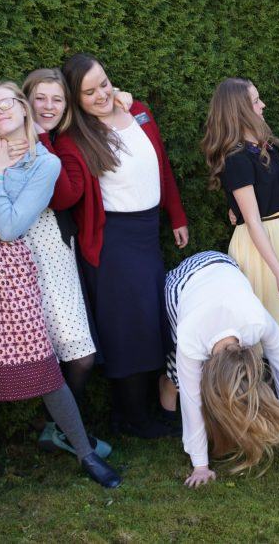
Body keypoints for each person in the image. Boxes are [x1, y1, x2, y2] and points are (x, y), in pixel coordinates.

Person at [0, 80, 121, 489]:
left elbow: (11, 227)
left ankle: (84, 453)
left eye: (3, 104)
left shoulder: (44, 163)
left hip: (6, 265)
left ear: (21, 104)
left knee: (42, 362)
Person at [53, 53, 188, 439]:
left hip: (147, 234)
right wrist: (44, 141)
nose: (101, 95)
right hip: (113, 242)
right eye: (89, 92)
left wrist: (176, 214)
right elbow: (64, 197)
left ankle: (132, 412)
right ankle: (132, 418)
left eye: (104, 84)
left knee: (149, 324)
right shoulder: (74, 140)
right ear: (75, 99)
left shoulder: (139, 112)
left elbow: (160, 166)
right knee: (128, 331)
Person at [164, 251, 279, 488]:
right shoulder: (191, 337)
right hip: (181, 285)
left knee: (233, 385)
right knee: (181, 378)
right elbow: (192, 401)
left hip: (222, 265)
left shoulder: (254, 320)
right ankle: (167, 395)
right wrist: (200, 465)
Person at [202, 78, 279, 354]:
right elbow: (252, 220)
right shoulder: (237, 158)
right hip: (259, 246)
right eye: (255, 101)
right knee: (264, 330)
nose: (262, 105)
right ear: (239, 109)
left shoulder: (267, 145)